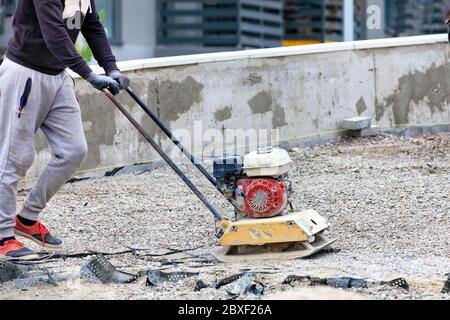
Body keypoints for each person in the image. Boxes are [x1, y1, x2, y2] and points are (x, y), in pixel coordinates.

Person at [0, 0, 130, 259]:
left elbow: (92, 26)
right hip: (25, 72)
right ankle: (3, 236)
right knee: (14, 157)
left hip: (57, 76)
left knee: (73, 150)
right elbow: (54, 34)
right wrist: (90, 75)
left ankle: (26, 218)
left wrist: (111, 68)